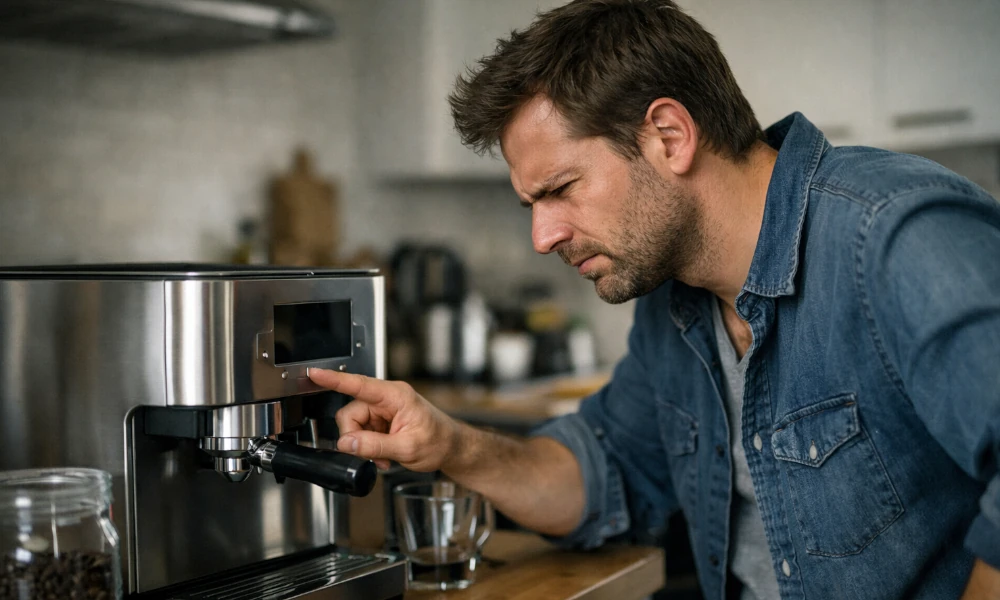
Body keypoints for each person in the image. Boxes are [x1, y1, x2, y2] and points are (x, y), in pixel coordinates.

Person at [309, 1, 1000, 597]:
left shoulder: (894, 237)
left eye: (559, 189)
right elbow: (606, 472)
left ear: (669, 137)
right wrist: (451, 444)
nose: (543, 237)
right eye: (531, 204)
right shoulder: (674, 301)